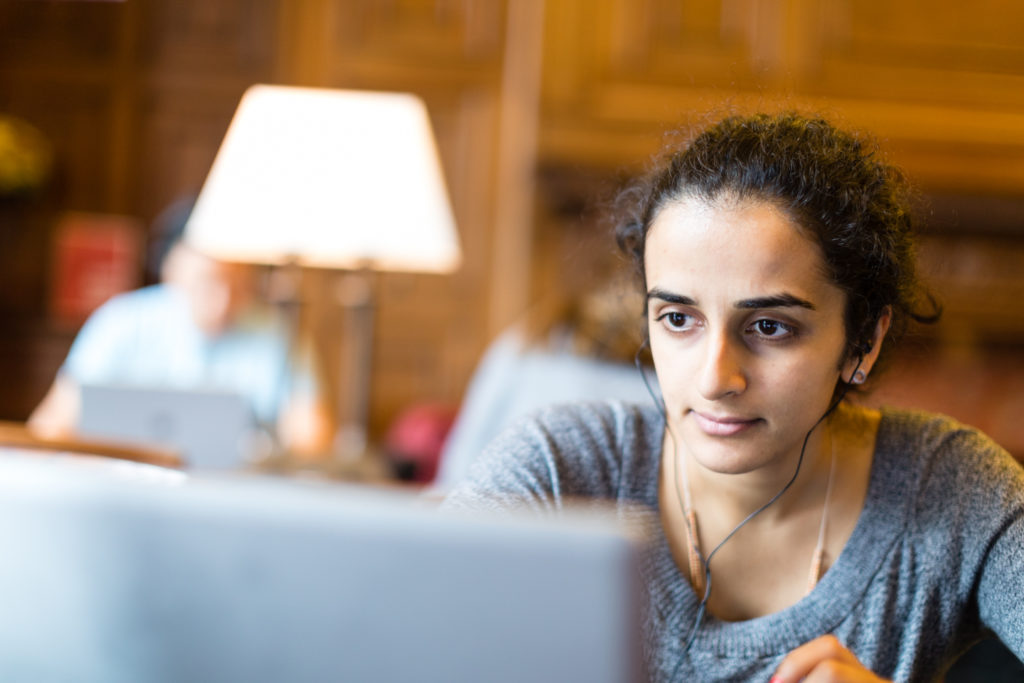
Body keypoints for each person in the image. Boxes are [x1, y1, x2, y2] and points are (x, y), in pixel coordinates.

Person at [444, 113, 1024, 681]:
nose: (715, 378)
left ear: (862, 341)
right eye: (677, 318)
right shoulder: (559, 469)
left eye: (770, 327)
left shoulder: (953, 491)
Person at [28, 197, 331, 458]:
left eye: (239, 286)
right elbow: (51, 426)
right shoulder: (120, 323)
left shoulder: (278, 334)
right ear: (169, 268)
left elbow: (313, 439)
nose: (222, 302)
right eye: (208, 283)